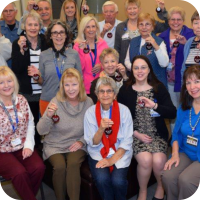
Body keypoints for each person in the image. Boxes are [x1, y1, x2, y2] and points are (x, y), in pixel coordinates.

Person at [117, 55, 176, 200]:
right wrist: (135, 134)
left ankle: (161, 187)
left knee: (158, 161)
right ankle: (142, 191)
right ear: (132, 71)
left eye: (143, 67)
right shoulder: (125, 90)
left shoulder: (159, 88)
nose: (140, 71)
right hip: (135, 135)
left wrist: (155, 105)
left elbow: (172, 112)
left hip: (157, 135)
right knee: (145, 160)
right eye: (136, 68)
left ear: (149, 69)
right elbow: (119, 118)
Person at [37, 68, 93, 200]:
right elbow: (41, 130)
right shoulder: (55, 101)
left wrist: (82, 141)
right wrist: (48, 116)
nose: (71, 89)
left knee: (73, 164)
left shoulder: (88, 102)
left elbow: (92, 129)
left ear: (80, 84)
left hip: (77, 142)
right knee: (60, 167)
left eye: (74, 84)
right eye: (67, 85)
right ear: (62, 86)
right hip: (55, 143)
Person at [84, 76, 133, 200]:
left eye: (109, 91)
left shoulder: (124, 111)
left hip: (120, 151)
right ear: (97, 94)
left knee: (118, 181)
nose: (105, 95)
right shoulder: (90, 113)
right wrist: (100, 129)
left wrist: (111, 161)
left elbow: (127, 141)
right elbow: (92, 142)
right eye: (102, 91)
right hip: (98, 152)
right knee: (102, 179)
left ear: (115, 94)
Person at [0, 66, 45, 200]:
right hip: (2, 150)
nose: (6, 85)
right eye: (1, 82)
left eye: (9, 81)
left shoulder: (22, 100)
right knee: (20, 173)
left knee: (39, 168)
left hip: (22, 145)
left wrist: (29, 146)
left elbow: (31, 123)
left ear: (14, 82)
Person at [162, 65, 200, 200]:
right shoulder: (184, 107)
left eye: (197, 81)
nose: (192, 86)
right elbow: (176, 134)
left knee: (186, 180)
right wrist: (175, 154)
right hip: (186, 152)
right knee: (167, 175)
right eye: (188, 83)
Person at [12, 10, 48, 145]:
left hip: (45, 90)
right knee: (31, 123)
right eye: (30, 25)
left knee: (46, 122)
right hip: (28, 92)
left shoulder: (45, 41)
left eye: (36, 25)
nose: (33, 28)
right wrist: (21, 51)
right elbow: (16, 69)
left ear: (40, 26)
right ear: (24, 27)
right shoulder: (18, 42)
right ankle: (35, 147)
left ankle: (46, 147)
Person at [31, 19, 82, 115]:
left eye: (61, 32)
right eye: (55, 33)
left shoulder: (74, 54)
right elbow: (42, 82)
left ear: (66, 35)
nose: (58, 36)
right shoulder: (43, 55)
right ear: (50, 36)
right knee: (48, 129)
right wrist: (36, 76)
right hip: (48, 100)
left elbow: (80, 79)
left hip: (70, 100)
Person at [159, 6, 194, 132]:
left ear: (183, 21)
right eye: (172, 19)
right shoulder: (162, 36)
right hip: (168, 81)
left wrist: (187, 44)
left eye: (179, 19)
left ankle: (187, 136)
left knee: (188, 109)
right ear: (168, 21)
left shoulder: (191, 34)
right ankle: (175, 138)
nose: (175, 22)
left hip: (187, 81)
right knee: (173, 111)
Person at [115, 0, 169, 67]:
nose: (132, 11)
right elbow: (116, 49)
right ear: (126, 11)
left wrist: (162, 11)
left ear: (139, 9)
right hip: (127, 68)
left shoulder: (150, 22)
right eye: (129, 8)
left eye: (134, 8)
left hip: (150, 69)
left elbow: (167, 26)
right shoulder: (120, 27)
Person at [125, 13, 169, 87]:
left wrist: (155, 46)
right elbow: (127, 61)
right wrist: (137, 70)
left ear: (153, 27)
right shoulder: (133, 41)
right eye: (141, 24)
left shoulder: (159, 42)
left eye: (147, 24)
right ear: (138, 27)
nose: (144, 27)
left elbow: (164, 64)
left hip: (156, 84)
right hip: (137, 83)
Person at [73, 16, 108, 95]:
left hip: (101, 86)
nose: (91, 30)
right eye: (87, 27)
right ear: (83, 29)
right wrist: (82, 51)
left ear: (96, 28)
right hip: (85, 87)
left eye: (93, 26)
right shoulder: (77, 45)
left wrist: (101, 66)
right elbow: (79, 68)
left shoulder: (103, 43)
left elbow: (109, 63)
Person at [181, 11, 200, 79]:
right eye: (196, 23)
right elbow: (184, 67)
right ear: (192, 25)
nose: (199, 26)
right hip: (189, 83)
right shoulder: (189, 42)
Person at [0, 2, 19, 68]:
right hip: (3, 69)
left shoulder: (23, 28)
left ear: (16, 12)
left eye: (11, 10)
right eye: (5, 11)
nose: (8, 13)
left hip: (19, 68)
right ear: (2, 13)